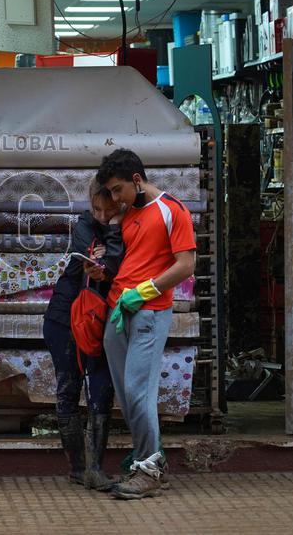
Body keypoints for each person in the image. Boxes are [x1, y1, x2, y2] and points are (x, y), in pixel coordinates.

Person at [95, 148, 196, 500]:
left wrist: (147, 290)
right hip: (118, 310)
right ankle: (146, 460)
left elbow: (186, 265)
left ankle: (149, 469)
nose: (114, 197)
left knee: (139, 393)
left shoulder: (173, 210)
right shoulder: (127, 215)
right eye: (110, 191)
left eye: (118, 189)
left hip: (149, 311)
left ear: (137, 180)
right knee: (127, 395)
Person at [42, 179, 125, 491]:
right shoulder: (83, 225)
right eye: (98, 209)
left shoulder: (125, 225)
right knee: (69, 389)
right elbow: (97, 259)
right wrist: (109, 253)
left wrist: (115, 230)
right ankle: (79, 468)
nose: (102, 216)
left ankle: (95, 469)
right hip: (65, 319)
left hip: (100, 320)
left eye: (110, 210)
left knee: (101, 391)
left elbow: (118, 262)